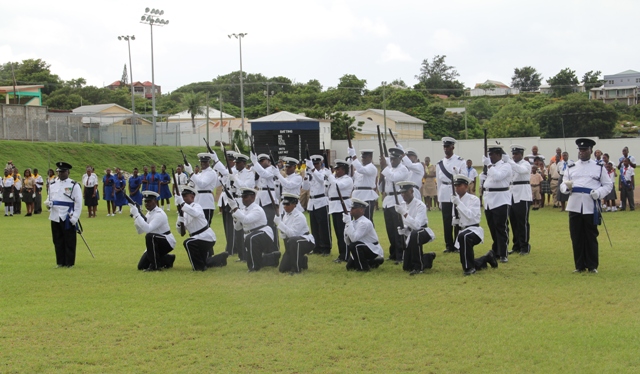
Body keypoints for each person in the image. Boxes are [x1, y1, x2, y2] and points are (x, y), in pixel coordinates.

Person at [560, 138, 613, 273]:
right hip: (575, 204)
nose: (582, 152)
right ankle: (579, 265)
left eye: (585, 150)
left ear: (591, 151)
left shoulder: (599, 168)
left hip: (590, 204)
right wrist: (566, 188)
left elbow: (608, 185)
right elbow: (563, 183)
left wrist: (599, 192)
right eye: (580, 150)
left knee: (590, 235)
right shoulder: (571, 167)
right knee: (576, 236)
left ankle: (592, 265)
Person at [450, 174, 498, 275]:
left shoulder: (473, 199)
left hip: (474, 230)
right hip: (463, 230)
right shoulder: (456, 200)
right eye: (456, 186)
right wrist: (455, 220)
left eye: (459, 185)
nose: (457, 188)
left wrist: (458, 203)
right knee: (465, 260)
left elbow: (470, 216)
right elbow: (456, 217)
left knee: (464, 237)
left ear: (466, 187)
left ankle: (470, 269)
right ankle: (486, 258)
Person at [175, 186, 228, 271]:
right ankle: (221, 258)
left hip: (206, 237)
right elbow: (181, 232)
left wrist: (182, 203)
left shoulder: (197, 206)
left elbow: (194, 213)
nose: (183, 198)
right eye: (182, 196)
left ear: (192, 197)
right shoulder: (184, 211)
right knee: (205, 261)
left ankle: (199, 268)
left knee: (188, 243)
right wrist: (180, 218)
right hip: (196, 238)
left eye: (185, 196)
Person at [228, 187, 280, 272]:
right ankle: (272, 258)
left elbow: (246, 220)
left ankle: (254, 268)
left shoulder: (257, 209)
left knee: (251, 238)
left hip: (264, 234)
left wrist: (235, 208)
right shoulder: (244, 210)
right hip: (251, 235)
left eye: (245, 197)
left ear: (253, 197)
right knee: (255, 255)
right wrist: (235, 218)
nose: (243, 199)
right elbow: (237, 228)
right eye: (242, 197)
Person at [44, 162, 83, 268]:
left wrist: (75, 217)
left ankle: (70, 262)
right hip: (55, 215)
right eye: (59, 172)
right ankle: (60, 262)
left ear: (68, 172)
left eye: (63, 172)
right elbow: (49, 198)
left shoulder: (74, 185)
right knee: (57, 239)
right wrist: (48, 204)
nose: (61, 174)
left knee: (69, 240)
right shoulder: (52, 184)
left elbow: (78, 202)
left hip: (67, 215)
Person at [395, 181, 436, 275]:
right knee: (406, 267)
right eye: (402, 192)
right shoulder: (402, 205)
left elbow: (417, 225)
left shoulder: (420, 205)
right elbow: (407, 224)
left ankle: (418, 267)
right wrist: (403, 230)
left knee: (415, 234)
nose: (403, 195)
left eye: (405, 192)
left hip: (423, 231)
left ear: (411, 191)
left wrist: (404, 213)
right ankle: (428, 257)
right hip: (411, 233)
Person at [128, 191, 177, 271]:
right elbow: (140, 231)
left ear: (155, 201)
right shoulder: (149, 213)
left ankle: (155, 266)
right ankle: (168, 259)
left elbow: (148, 229)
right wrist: (136, 218)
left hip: (167, 241)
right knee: (142, 266)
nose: (147, 204)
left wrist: (137, 214)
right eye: (145, 201)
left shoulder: (159, 214)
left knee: (150, 236)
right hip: (155, 242)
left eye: (149, 201)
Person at [482, 144, 512, 263]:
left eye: (492, 154)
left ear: (499, 155)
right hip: (489, 200)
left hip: (500, 200)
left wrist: (489, 165)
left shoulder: (505, 166)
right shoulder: (492, 167)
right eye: (489, 155)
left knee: (501, 228)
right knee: (492, 227)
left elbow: (498, 177)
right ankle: (497, 250)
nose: (491, 157)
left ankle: (503, 253)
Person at [380, 147, 410, 263]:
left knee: (399, 229)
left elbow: (393, 178)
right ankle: (393, 253)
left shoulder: (403, 169)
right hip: (388, 200)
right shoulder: (390, 169)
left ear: (399, 159)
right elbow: (383, 186)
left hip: (397, 200)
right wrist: (381, 178)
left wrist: (385, 167)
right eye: (391, 159)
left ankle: (400, 254)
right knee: (390, 229)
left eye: (395, 159)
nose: (393, 162)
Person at [436, 137, 466, 253]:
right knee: (447, 220)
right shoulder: (440, 163)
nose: (446, 149)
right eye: (444, 146)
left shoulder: (460, 161)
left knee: (458, 218)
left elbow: (464, 178)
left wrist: (457, 172)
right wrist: (439, 198)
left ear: (453, 147)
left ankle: (458, 244)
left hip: (456, 191)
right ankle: (449, 245)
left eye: (448, 146)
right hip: (444, 192)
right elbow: (438, 181)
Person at [274, 193, 315, 274]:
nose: (285, 206)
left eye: (287, 204)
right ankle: (302, 260)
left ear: (294, 204)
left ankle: (296, 269)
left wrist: (280, 223)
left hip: (306, 241)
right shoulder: (286, 215)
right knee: (283, 269)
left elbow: (293, 234)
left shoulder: (299, 216)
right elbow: (284, 235)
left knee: (293, 240)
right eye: (284, 204)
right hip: (293, 244)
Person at [227, 153, 255, 259]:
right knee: (237, 229)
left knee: (246, 228)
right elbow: (234, 188)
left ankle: (247, 253)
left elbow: (245, 187)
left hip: (246, 201)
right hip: (237, 200)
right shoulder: (236, 174)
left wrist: (234, 179)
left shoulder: (249, 173)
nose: (236, 165)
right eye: (235, 163)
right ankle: (241, 254)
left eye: (238, 163)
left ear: (244, 163)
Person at [344, 198, 384, 271]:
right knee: (349, 267)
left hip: (372, 249)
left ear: (362, 210)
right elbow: (347, 240)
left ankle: (363, 268)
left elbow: (354, 238)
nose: (351, 210)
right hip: (362, 247)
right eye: (351, 208)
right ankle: (372, 262)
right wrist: (348, 224)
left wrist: (348, 222)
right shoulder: (353, 222)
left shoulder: (365, 223)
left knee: (355, 246)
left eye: (354, 208)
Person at [184, 153, 224, 226]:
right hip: (197, 201)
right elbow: (192, 184)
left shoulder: (211, 173)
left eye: (205, 162)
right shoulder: (199, 174)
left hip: (206, 203)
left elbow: (202, 184)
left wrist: (191, 172)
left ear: (209, 162)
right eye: (202, 162)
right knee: (196, 225)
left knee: (205, 226)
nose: (203, 164)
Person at [251, 152, 280, 248]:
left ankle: (274, 246)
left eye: (262, 161)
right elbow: (254, 183)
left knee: (271, 223)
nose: (260, 163)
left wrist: (255, 163)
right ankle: (265, 246)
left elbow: (265, 175)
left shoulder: (272, 169)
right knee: (262, 224)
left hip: (269, 199)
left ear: (268, 161)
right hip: (260, 199)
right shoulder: (259, 171)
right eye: (259, 161)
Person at [304, 155, 332, 256]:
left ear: (321, 163)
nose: (315, 166)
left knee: (324, 227)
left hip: (321, 201)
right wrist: (306, 176)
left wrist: (312, 169)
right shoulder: (311, 173)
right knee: (314, 227)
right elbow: (305, 187)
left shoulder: (324, 172)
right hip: (312, 202)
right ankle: (316, 247)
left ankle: (326, 247)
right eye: (313, 164)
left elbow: (321, 180)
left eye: (317, 164)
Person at [507, 145, 532, 255]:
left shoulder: (525, 164)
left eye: (516, 154)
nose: (514, 156)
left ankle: (524, 246)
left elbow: (521, 171)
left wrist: (509, 161)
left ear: (521, 154)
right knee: (513, 221)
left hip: (523, 194)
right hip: (512, 194)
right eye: (513, 154)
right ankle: (516, 244)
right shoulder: (511, 165)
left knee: (522, 222)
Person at [327, 160, 354, 263]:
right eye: (336, 169)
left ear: (344, 170)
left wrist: (330, 176)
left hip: (343, 207)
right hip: (334, 207)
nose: (336, 171)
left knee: (344, 233)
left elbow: (338, 187)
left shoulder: (347, 179)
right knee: (338, 233)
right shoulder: (335, 179)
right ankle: (342, 254)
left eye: (338, 169)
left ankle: (346, 255)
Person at [348, 148, 378, 222]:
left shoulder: (372, 167)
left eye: (365, 157)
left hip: (367, 196)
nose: (363, 159)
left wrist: (354, 156)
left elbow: (360, 170)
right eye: (362, 157)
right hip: (357, 196)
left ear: (370, 157)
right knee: (356, 220)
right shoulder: (360, 168)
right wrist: (350, 164)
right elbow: (352, 176)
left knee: (367, 219)